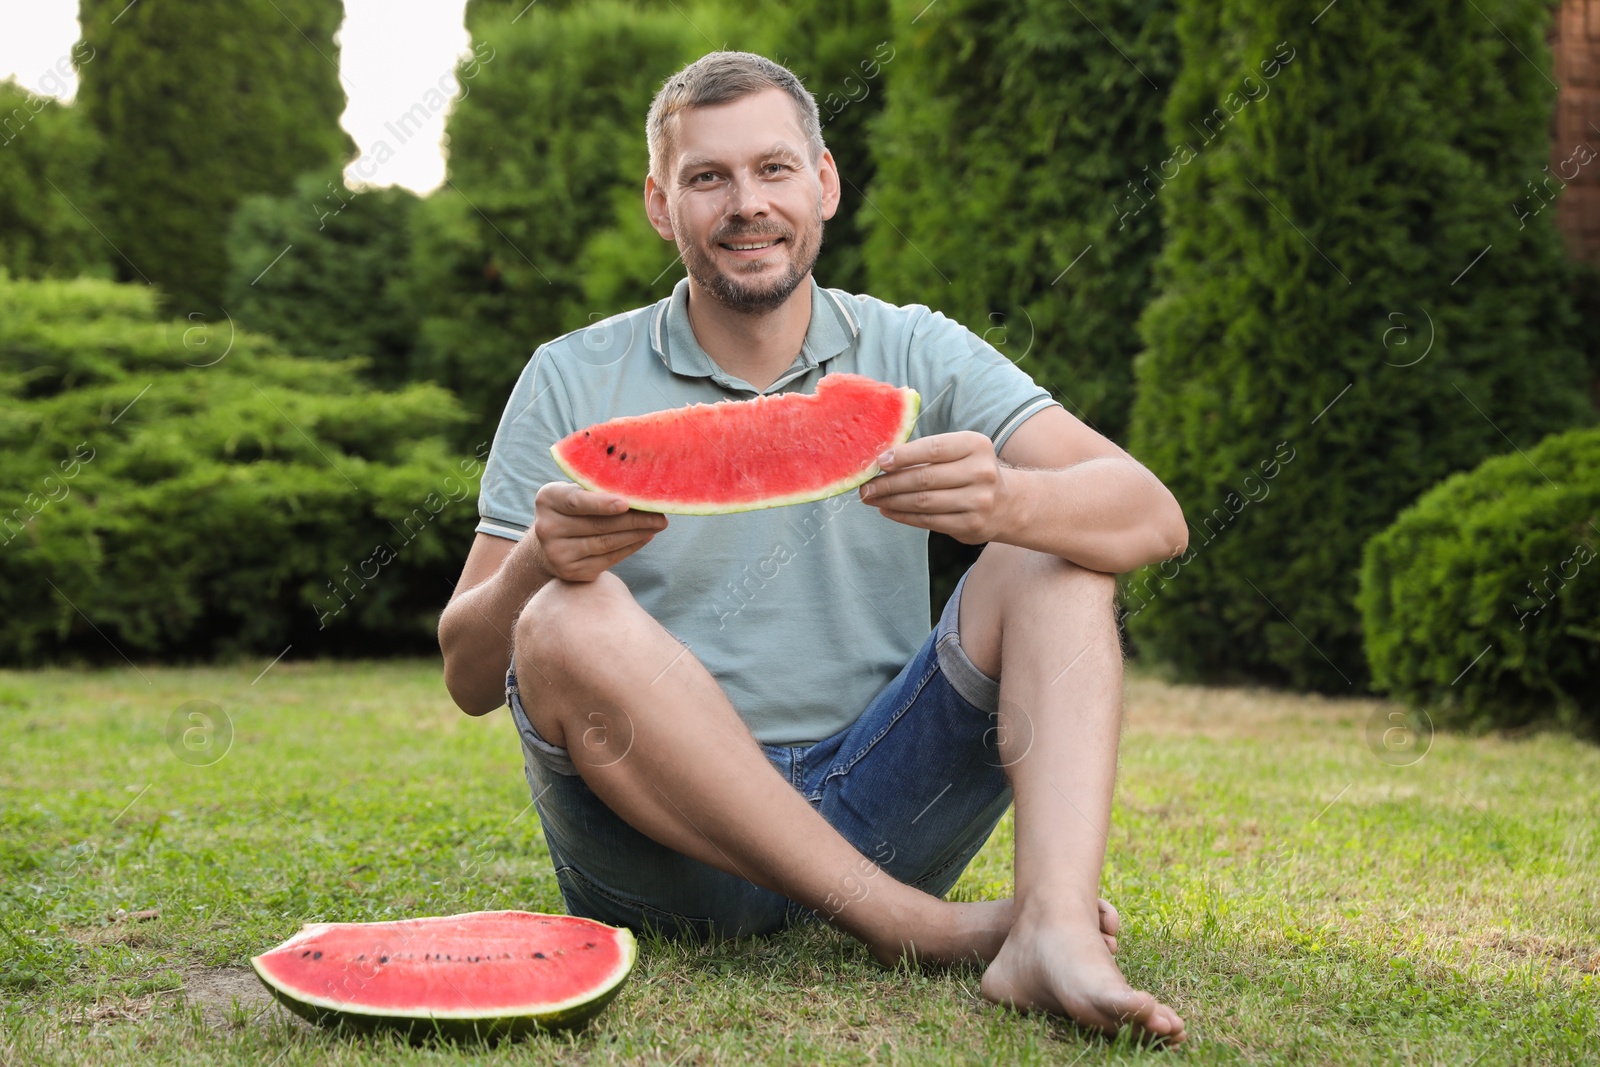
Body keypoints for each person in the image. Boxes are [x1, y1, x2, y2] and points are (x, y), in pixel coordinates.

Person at [438, 50, 1189, 1045]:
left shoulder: (915, 350)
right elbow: (468, 672)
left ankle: (1051, 931)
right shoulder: (571, 376)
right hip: (665, 840)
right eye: (708, 178)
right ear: (661, 206)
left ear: (824, 182)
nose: (746, 203)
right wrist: (538, 555)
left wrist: (1006, 498)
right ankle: (913, 928)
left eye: (773, 169)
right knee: (564, 612)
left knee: (1054, 551)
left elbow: (1151, 515)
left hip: (889, 803)